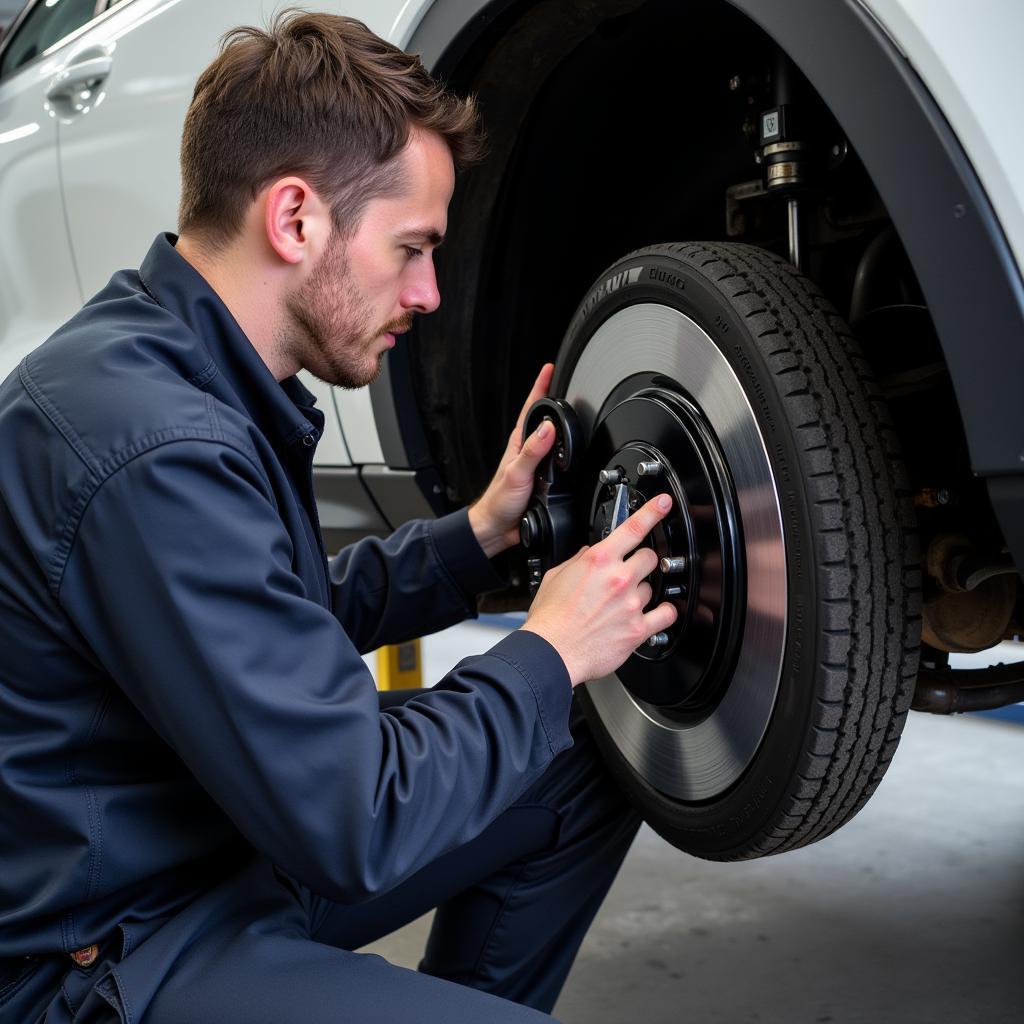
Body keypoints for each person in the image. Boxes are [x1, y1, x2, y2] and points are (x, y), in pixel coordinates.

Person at [0, 12, 677, 1023]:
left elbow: (279, 623)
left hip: (212, 846)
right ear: (295, 220)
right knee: (540, 697)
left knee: (577, 753)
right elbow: (357, 818)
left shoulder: (185, 367)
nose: (432, 292)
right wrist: (547, 645)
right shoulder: (153, 445)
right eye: (411, 249)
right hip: (103, 955)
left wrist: (481, 534)